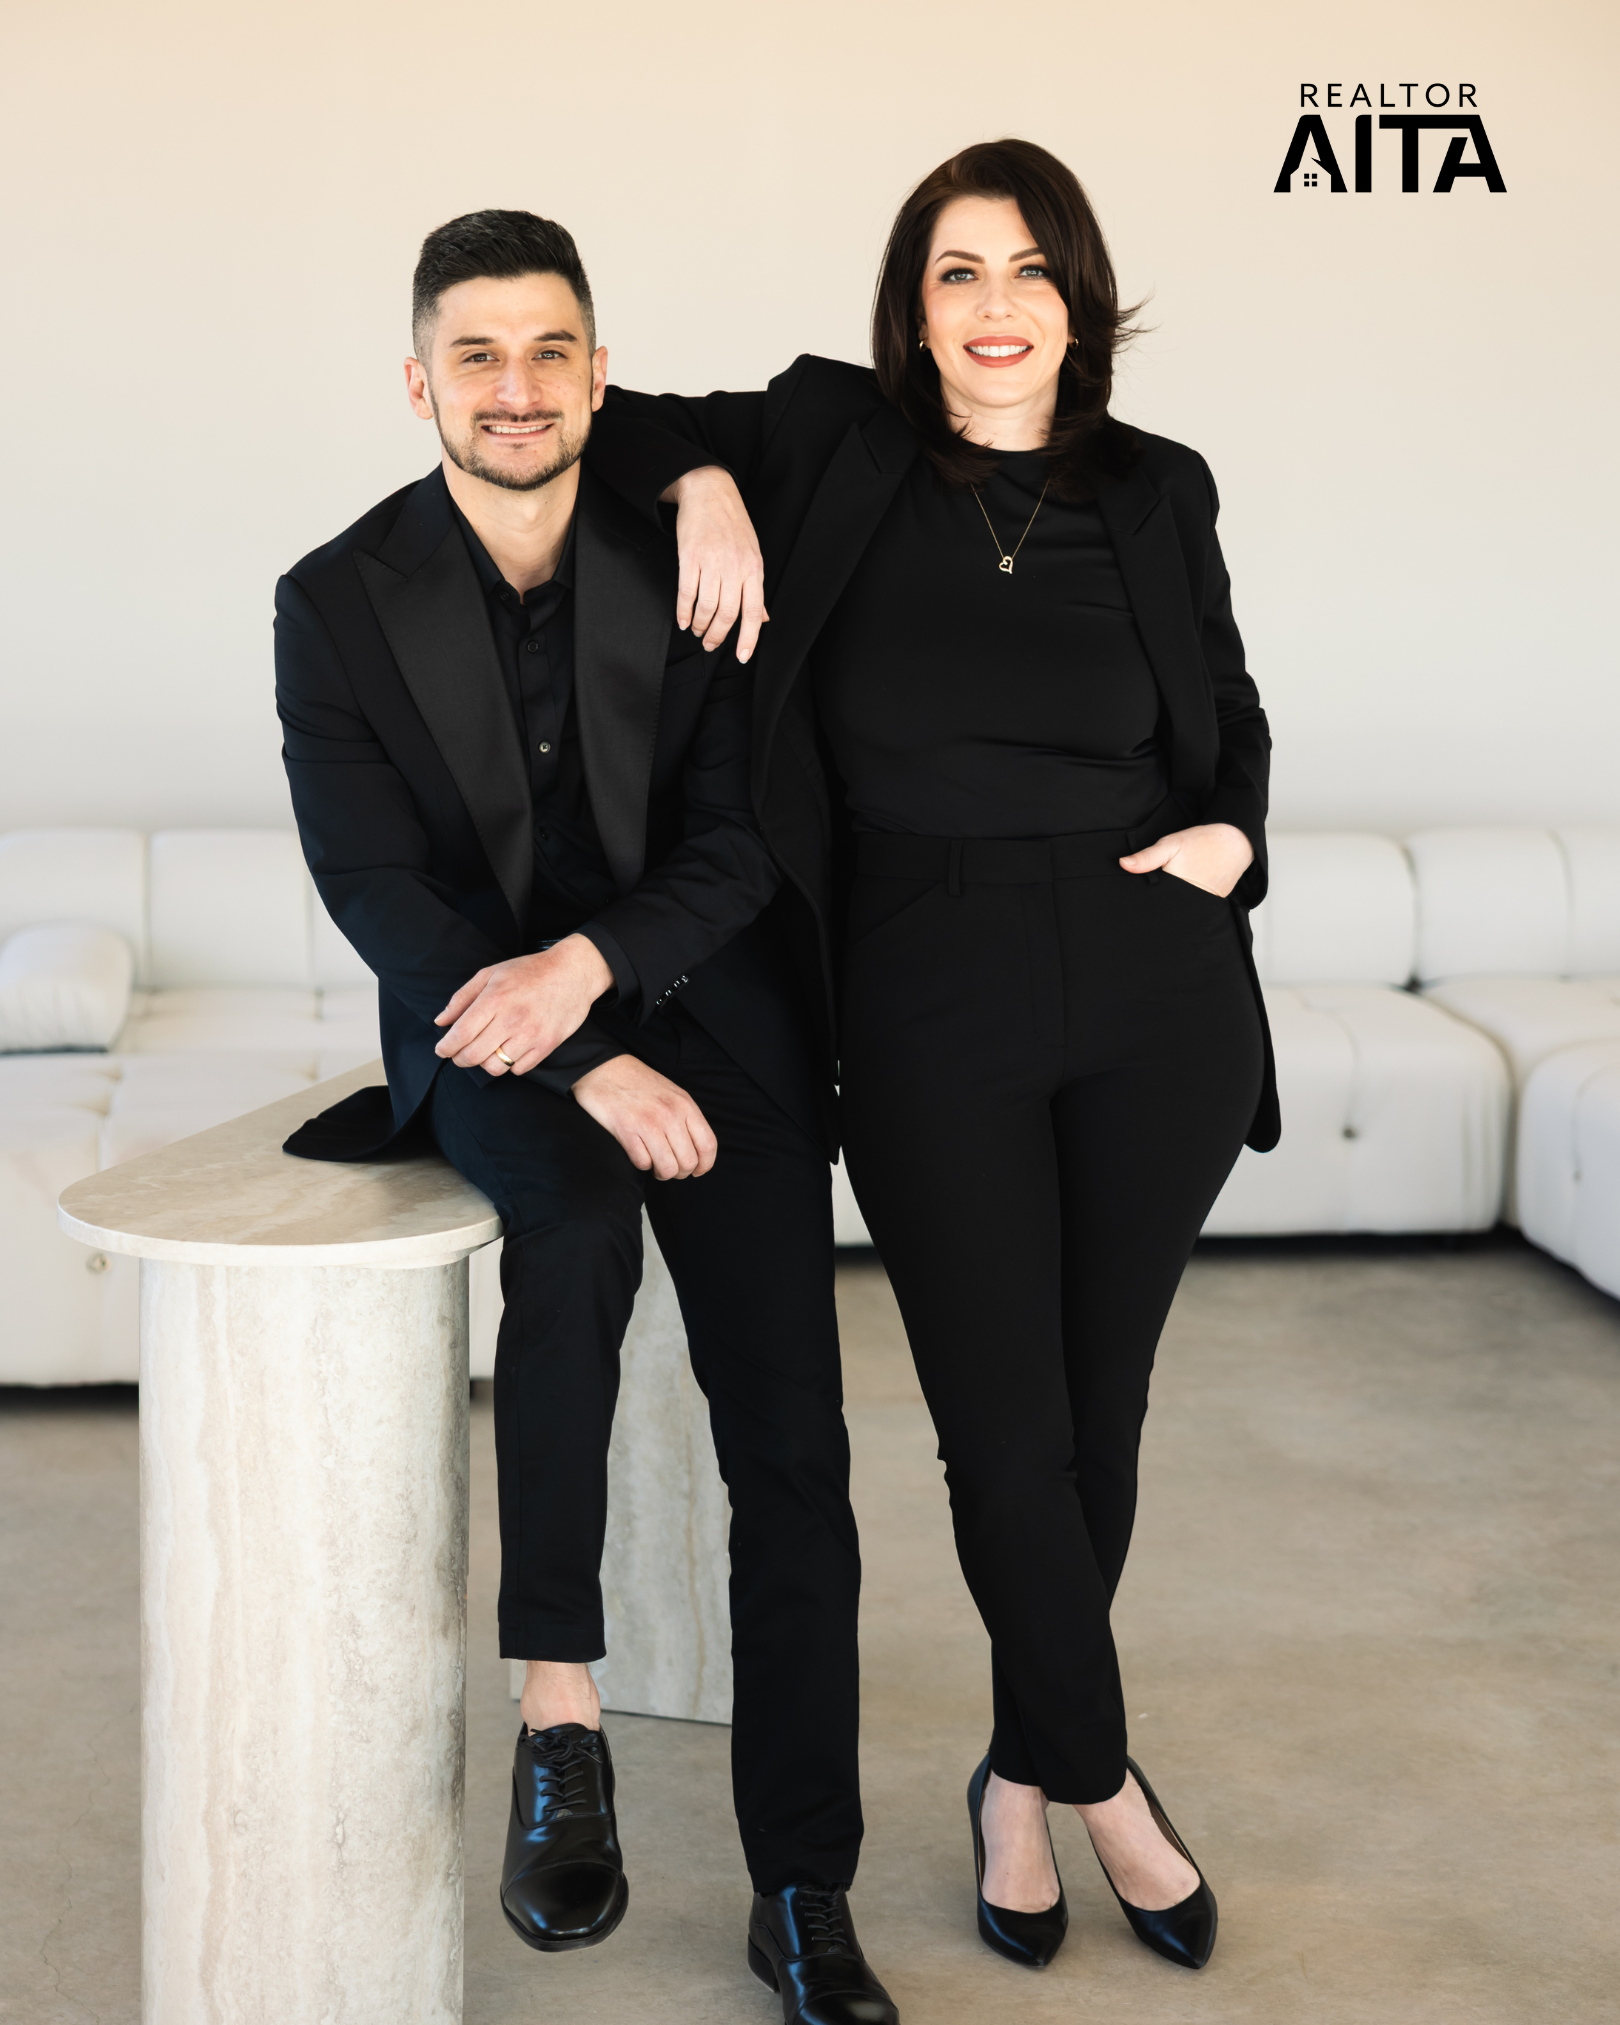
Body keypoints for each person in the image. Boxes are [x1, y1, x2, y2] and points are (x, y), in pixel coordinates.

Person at [587, 137, 1278, 1976]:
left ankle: (1015, 1775)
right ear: (911, 304)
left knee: (1097, 1405)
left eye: (1031, 270)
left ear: (1081, 298)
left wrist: (1235, 844)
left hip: (1155, 985)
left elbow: (1231, 705)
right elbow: (613, 408)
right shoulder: (836, 444)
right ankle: (1102, 1780)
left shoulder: (1157, 487)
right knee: (999, 1432)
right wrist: (715, 479)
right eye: (958, 272)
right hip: (918, 976)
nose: (995, 308)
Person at [273, 210, 898, 2025]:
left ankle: (804, 1890)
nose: (516, 386)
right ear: (418, 382)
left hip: (723, 1018)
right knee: (571, 1233)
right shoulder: (333, 598)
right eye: (476, 353)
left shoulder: (696, 558)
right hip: (497, 1033)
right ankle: (563, 1713)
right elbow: (377, 884)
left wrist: (611, 978)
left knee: (795, 1445)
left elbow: (740, 834)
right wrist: (571, 1045)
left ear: (599, 372)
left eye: (552, 350)